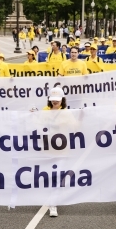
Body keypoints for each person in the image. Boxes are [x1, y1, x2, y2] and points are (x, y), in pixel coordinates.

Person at [34, 86, 68, 217]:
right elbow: (37, 126)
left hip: (61, 150)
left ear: (62, 99)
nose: (55, 102)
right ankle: (53, 201)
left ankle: (53, 204)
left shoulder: (67, 112)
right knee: (50, 176)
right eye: (53, 99)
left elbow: (75, 127)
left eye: (57, 100)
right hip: (47, 149)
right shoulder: (45, 111)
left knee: (57, 176)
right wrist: (33, 115)